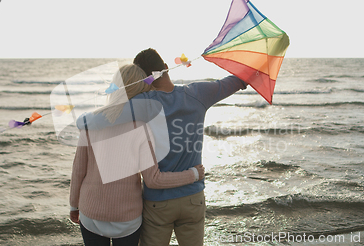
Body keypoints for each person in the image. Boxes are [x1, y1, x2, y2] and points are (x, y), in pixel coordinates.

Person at [79, 49, 247, 245]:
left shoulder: (140, 103)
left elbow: (102, 118)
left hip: (158, 202)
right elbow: (237, 81)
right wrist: (258, 67)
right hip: (192, 197)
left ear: (143, 80)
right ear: (166, 67)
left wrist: (83, 122)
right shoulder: (198, 93)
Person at [69, 64, 205, 246]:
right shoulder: (141, 128)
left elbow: (78, 171)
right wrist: (194, 174)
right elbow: (153, 180)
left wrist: (73, 206)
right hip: (126, 218)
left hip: (91, 213)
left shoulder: (90, 123)